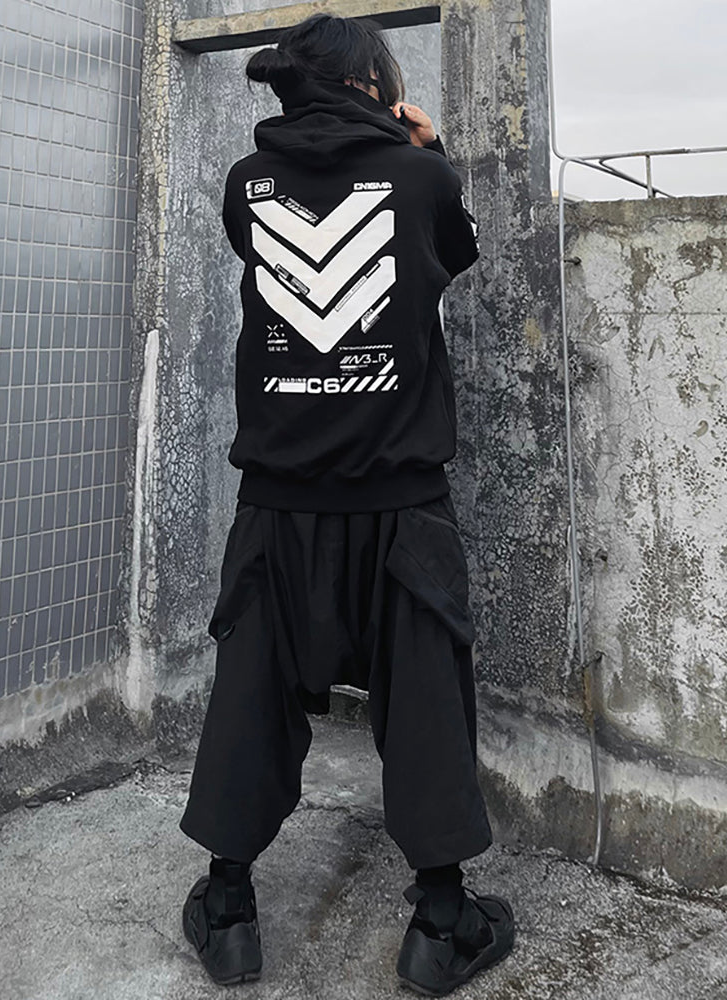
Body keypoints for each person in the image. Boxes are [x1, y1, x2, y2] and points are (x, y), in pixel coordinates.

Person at [178, 13, 515, 996]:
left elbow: (266, 242)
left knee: (250, 691)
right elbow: (453, 253)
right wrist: (428, 150)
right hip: (401, 498)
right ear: (371, 83)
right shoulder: (420, 180)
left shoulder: (246, 182)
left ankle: (228, 910)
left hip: (277, 501)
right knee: (423, 700)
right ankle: (441, 921)